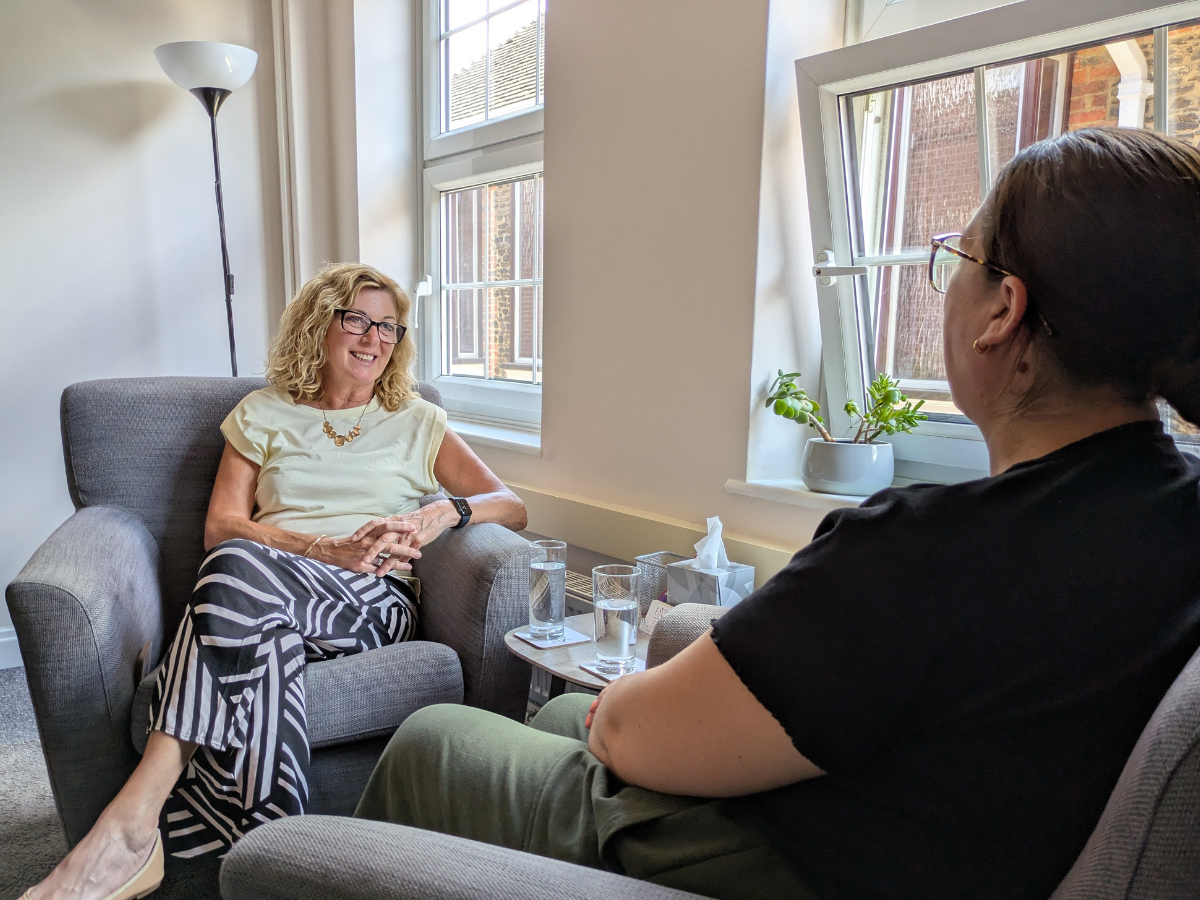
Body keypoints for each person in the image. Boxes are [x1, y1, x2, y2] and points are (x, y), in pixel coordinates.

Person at [353, 126, 1200, 900]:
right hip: (939, 841)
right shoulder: (1172, 511)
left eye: (956, 258)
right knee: (565, 713)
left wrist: (631, 710)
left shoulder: (930, 546)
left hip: (802, 861)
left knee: (438, 739)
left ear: (1003, 311)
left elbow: (633, 735)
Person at [23, 262, 527, 900]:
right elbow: (221, 527)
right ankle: (275, 848)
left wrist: (442, 513)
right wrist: (322, 547)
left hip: (371, 599)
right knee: (244, 590)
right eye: (358, 319)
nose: (374, 338)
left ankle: (131, 825)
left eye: (389, 327)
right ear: (320, 325)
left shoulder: (417, 419)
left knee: (235, 575)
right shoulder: (261, 413)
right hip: (262, 589)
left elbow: (511, 505)